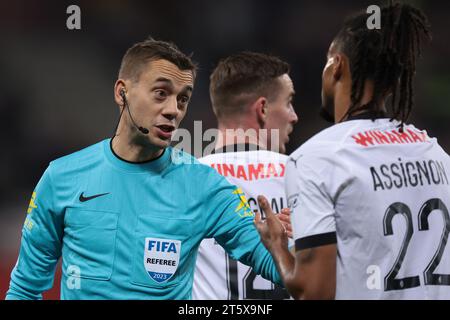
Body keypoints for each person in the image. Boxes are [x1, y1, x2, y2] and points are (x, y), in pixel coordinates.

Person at [6, 38, 284, 300]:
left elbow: (282, 270)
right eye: (161, 93)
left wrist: (287, 247)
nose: (173, 110)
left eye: (183, 99)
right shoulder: (61, 177)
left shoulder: (204, 186)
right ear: (121, 93)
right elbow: (24, 289)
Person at [255, 2, 450, 299]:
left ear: (338, 65)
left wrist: (277, 245)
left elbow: (314, 291)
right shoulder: (436, 155)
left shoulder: (317, 158)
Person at [192, 52, 297, 300]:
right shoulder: (304, 174)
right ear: (262, 108)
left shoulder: (187, 180)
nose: (294, 116)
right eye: (289, 102)